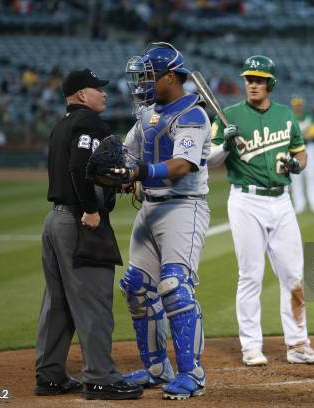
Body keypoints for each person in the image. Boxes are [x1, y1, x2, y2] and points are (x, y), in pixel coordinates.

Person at [207, 55, 314, 367]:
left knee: (293, 276)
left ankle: (299, 344)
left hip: (282, 201)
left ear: (270, 83)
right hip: (246, 202)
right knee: (250, 275)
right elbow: (209, 160)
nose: (253, 84)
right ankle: (250, 346)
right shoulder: (229, 115)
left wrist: (294, 165)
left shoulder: (286, 116)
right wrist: (226, 145)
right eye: (249, 79)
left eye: (259, 80)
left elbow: (301, 157)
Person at [36, 68, 143, 400]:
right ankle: (99, 378)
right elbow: (80, 167)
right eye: (98, 89)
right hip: (79, 222)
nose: (104, 93)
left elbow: (81, 169)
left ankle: (50, 376)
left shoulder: (61, 125)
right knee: (94, 302)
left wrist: (112, 184)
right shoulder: (89, 123)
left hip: (55, 221)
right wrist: (92, 209)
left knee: (59, 304)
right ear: (81, 95)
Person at [118, 42, 211, 400]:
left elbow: (182, 165)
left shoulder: (193, 114)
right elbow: (127, 155)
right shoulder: (145, 115)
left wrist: (140, 171)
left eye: (149, 75)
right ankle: (157, 368)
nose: (142, 82)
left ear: (170, 76)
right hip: (150, 208)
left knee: (174, 286)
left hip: (182, 207)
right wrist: (119, 171)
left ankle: (193, 373)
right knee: (136, 286)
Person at [289, 95, 314, 214]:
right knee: (295, 178)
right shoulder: (289, 116)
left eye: (299, 104)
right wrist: (302, 134)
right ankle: (299, 205)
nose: (298, 106)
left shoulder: (309, 116)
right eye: (296, 104)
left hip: (308, 148)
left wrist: (301, 135)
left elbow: (312, 132)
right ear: (293, 105)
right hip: (293, 150)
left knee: (312, 176)